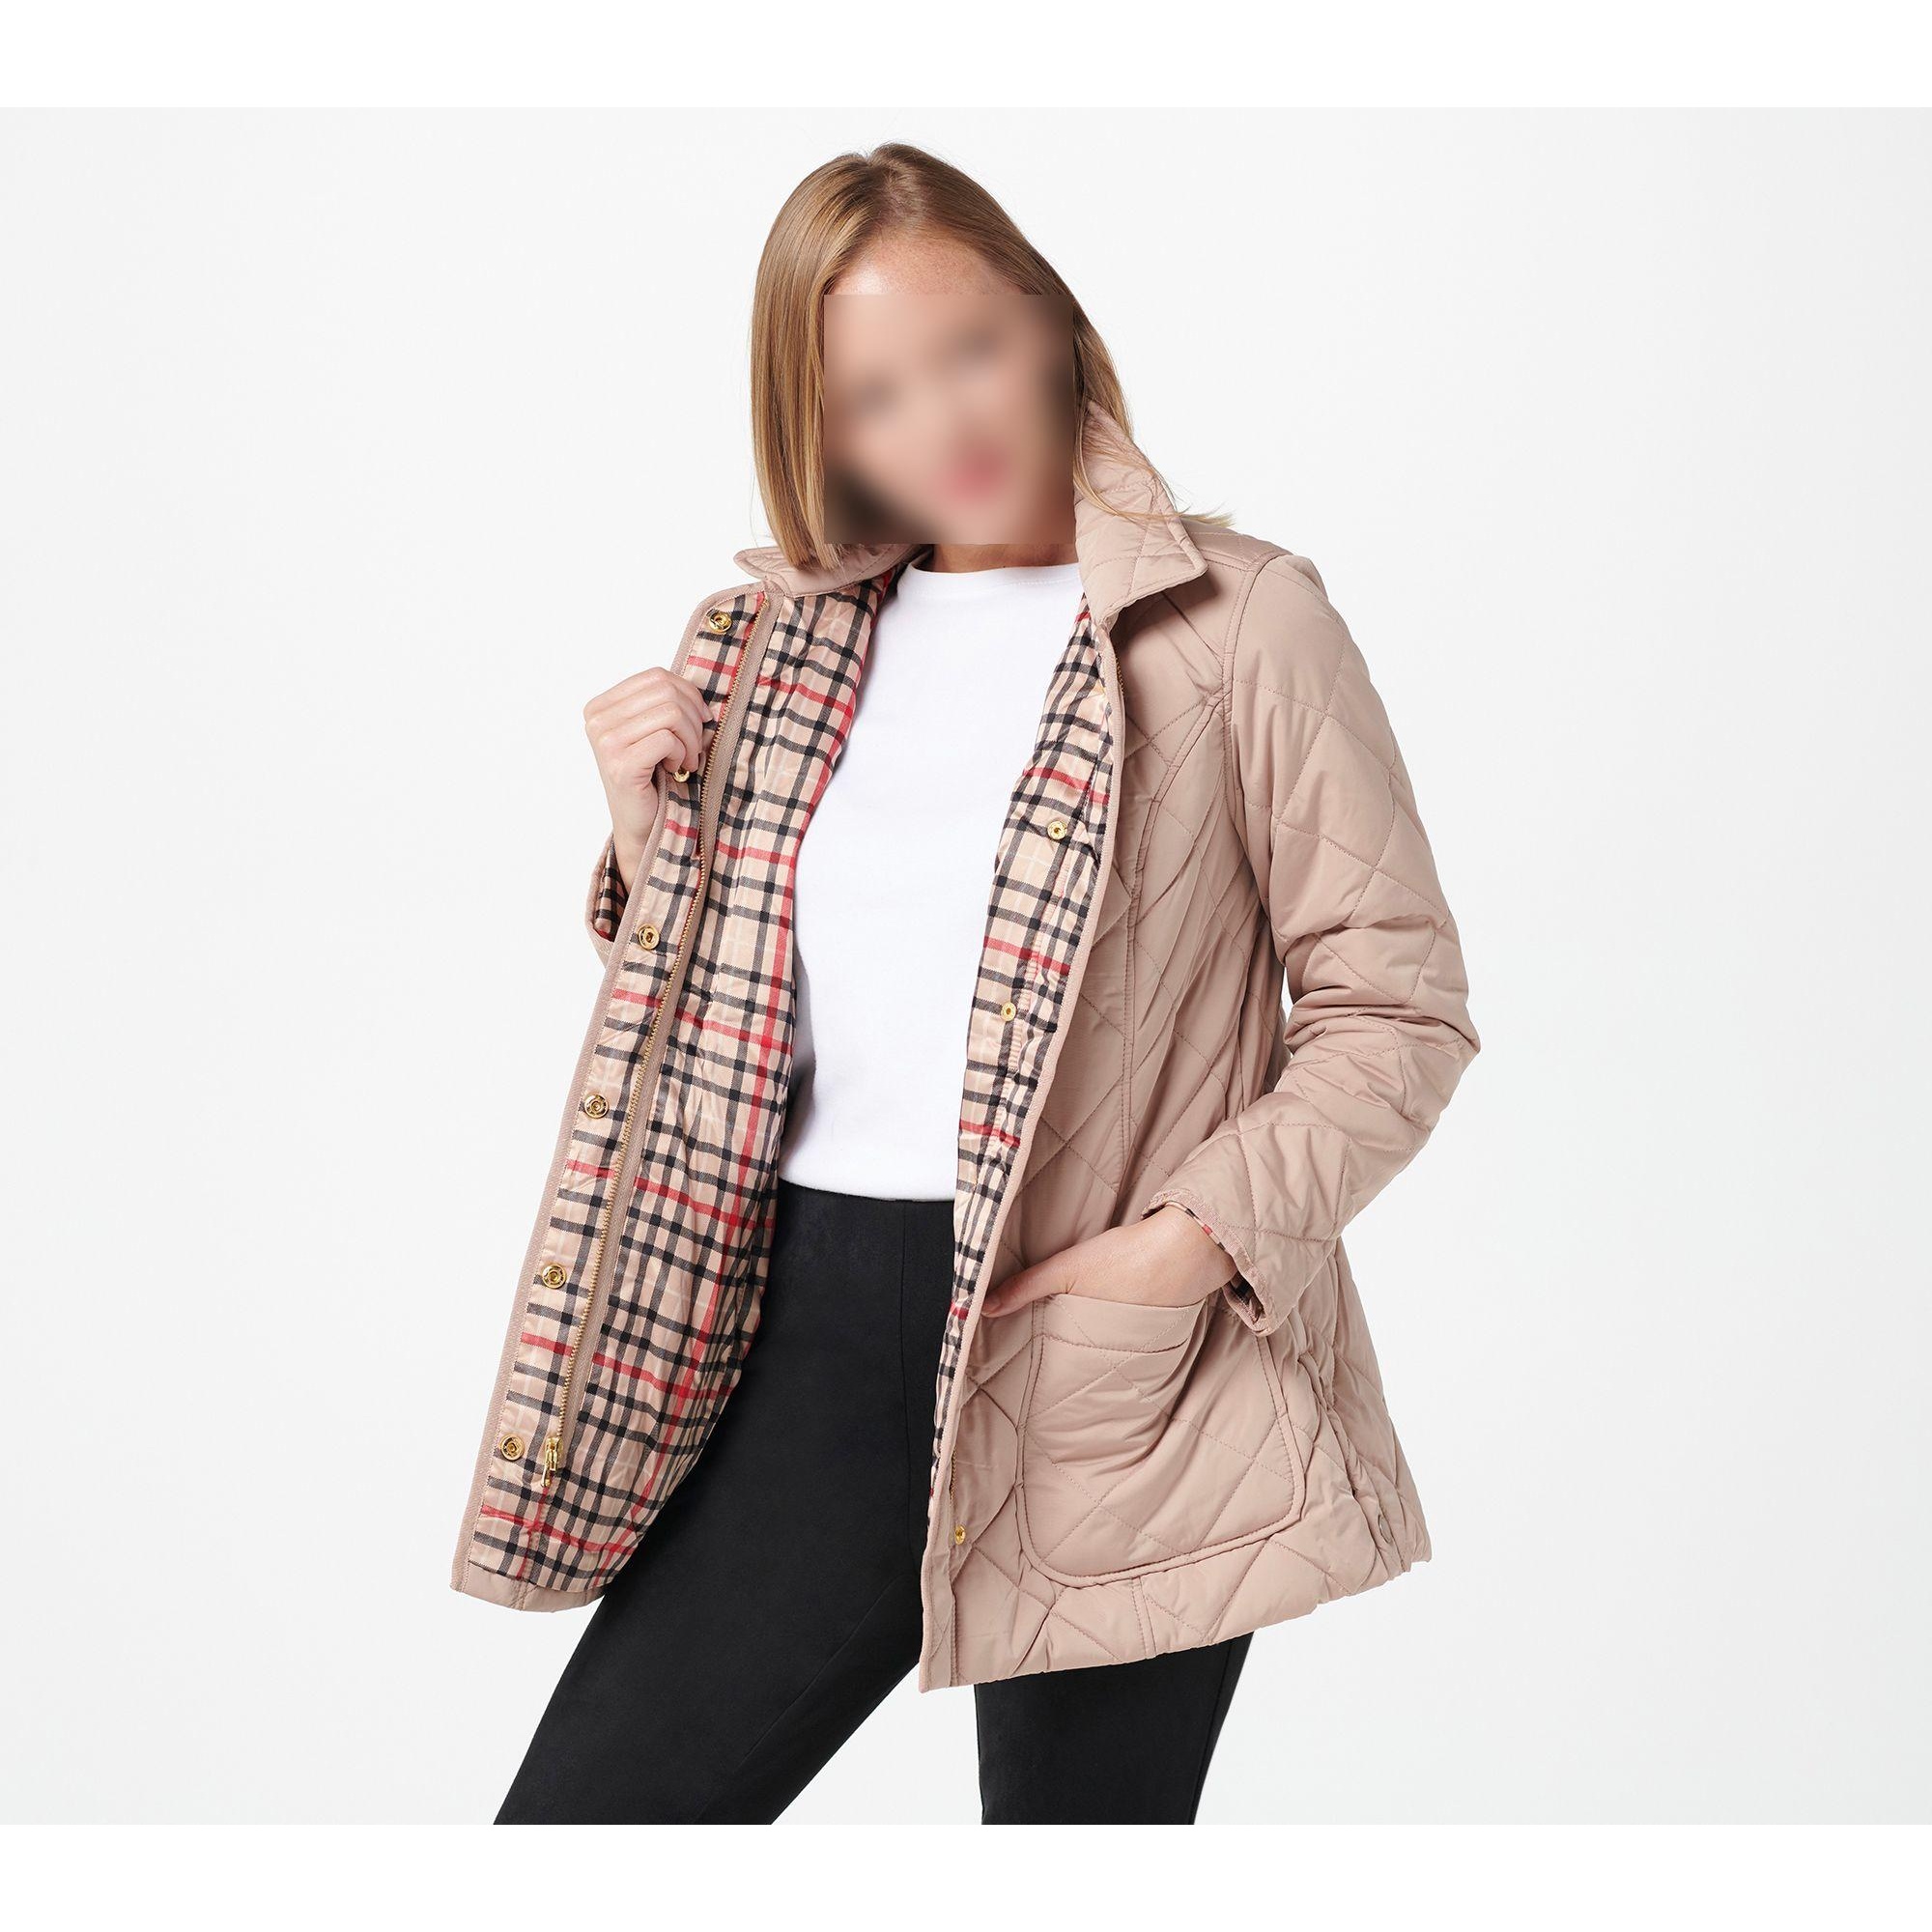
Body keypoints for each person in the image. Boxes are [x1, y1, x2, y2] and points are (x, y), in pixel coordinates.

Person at [454, 140, 1481, 1825]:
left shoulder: (1238, 623)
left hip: (1107, 1354)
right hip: (805, 1327)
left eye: (974, 348)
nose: (945, 421)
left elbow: (1397, 1008)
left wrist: (1189, 1246)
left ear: (1052, 323)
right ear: (823, 430)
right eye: (877, 394)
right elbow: (727, 1021)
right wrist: (649, 841)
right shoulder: (771, 646)